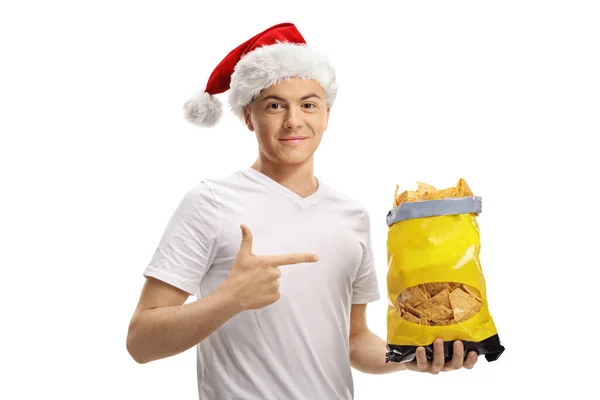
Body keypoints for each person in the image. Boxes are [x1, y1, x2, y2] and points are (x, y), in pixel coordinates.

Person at [126, 22, 478, 400]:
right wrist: (231, 299)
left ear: (326, 114)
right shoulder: (210, 201)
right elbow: (141, 343)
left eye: (308, 104)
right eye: (275, 105)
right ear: (248, 117)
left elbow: (354, 340)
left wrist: (407, 358)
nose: (294, 120)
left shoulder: (352, 215)